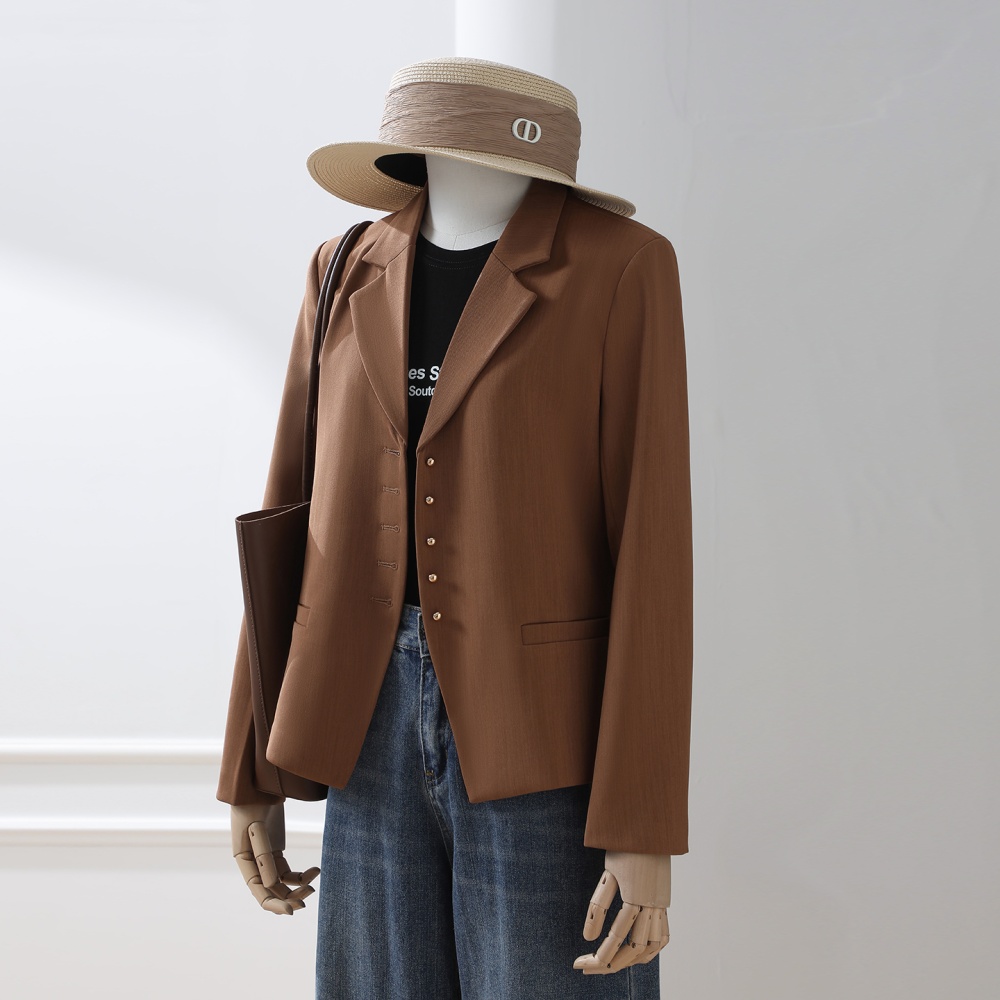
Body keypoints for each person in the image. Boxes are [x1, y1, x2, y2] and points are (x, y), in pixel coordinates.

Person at [219, 55, 692, 1000]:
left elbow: (653, 544)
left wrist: (641, 821)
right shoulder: (344, 265)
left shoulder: (619, 267)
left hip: (544, 731)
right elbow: (290, 513)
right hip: (360, 717)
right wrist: (250, 768)